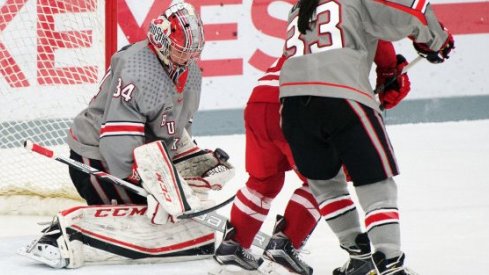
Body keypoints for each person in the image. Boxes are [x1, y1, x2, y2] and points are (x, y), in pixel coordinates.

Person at [20, 1, 234, 269]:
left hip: (140, 155)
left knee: (163, 207)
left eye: (192, 52)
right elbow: (116, 140)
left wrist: (195, 160)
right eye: (182, 51)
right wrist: (148, 183)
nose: (188, 59)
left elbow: (175, 130)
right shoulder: (139, 68)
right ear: (161, 40)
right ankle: (59, 235)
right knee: (139, 214)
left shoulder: (189, 73)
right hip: (96, 154)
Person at [279, 1, 454, 275]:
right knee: (375, 180)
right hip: (342, 96)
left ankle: (357, 253)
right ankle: (390, 260)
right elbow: (411, 13)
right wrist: (436, 39)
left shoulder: (299, 7)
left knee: (325, 184)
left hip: (291, 105)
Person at [212, 37, 412, 274]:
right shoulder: (355, 17)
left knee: (263, 180)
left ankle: (233, 245)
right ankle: (284, 243)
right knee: (322, 178)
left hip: (259, 100)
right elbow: (385, 59)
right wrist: (391, 74)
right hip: (297, 102)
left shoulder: (311, 21)